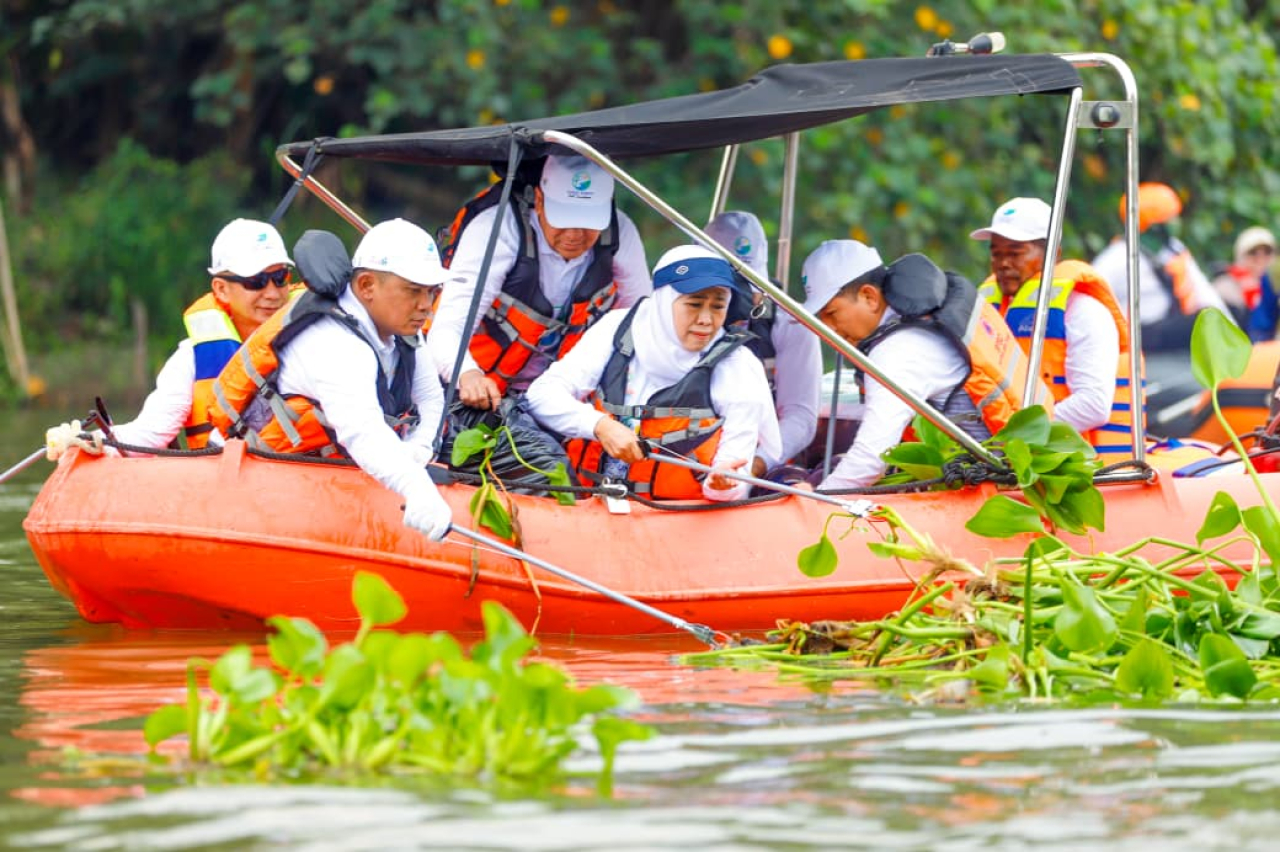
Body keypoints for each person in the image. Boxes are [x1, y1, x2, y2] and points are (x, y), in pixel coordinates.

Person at [207, 219, 453, 540]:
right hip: (252, 482)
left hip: (316, 475)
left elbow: (431, 398)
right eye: (413, 291)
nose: (426, 305)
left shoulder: (406, 329)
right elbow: (361, 433)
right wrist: (416, 487)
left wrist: (418, 448)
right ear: (366, 286)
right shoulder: (336, 344)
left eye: (433, 291)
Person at [524, 245, 781, 502]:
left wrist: (723, 484)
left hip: (675, 520)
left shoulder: (738, 366)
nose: (706, 319)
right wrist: (599, 425)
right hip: (589, 505)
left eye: (718, 307)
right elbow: (541, 395)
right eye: (694, 304)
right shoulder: (616, 329)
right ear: (662, 301)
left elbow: (736, 472)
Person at [800, 240, 1052, 491]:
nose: (828, 329)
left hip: (999, 484)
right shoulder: (925, 317)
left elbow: (869, 461)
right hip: (1018, 466)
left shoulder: (896, 352)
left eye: (832, 314)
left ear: (869, 297)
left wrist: (818, 498)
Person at [45, 218, 295, 460]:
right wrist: (88, 440)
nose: (272, 293)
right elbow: (148, 434)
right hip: (227, 488)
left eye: (280, 277)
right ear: (221, 289)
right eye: (256, 281)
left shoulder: (316, 339)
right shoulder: (192, 358)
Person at [428, 153, 651, 409]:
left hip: (559, 396)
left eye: (588, 222)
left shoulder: (620, 233)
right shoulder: (498, 229)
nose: (574, 235)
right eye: (565, 220)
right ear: (540, 200)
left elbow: (641, 323)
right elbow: (446, 329)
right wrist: (467, 374)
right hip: (479, 389)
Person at [971, 197, 1139, 459]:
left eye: (1015, 253)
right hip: (1007, 457)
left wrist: (1013, 436)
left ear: (1053, 254)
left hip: (1079, 465)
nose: (1003, 263)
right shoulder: (991, 312)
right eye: (996, 253)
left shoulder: (1084, 311)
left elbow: (1093, 405)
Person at [705, 210, 821, 477]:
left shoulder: (790, 323)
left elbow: (800, 416)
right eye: (733, 288)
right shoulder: (678, 317)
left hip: (758, 459)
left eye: (752, 285)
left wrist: (754, 464)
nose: (744, 297)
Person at [1091, 182, 1231, 351]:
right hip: (1141, 333)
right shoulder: (1117, 258)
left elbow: (1204, 292)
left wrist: (1230, 328)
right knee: (1200, 322)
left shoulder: (1174, 248)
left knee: (1219, 313)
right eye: (1171, 218)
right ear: (1155, 225)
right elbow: (1093, 296)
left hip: (1171, 323)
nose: (1177, 222)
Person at [1212, 226, 1277, 341]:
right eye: (1253, 253)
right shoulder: (1225, 285)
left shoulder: (1274, 286)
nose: (1260, 258)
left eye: (1267, 252)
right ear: (1239, 256)